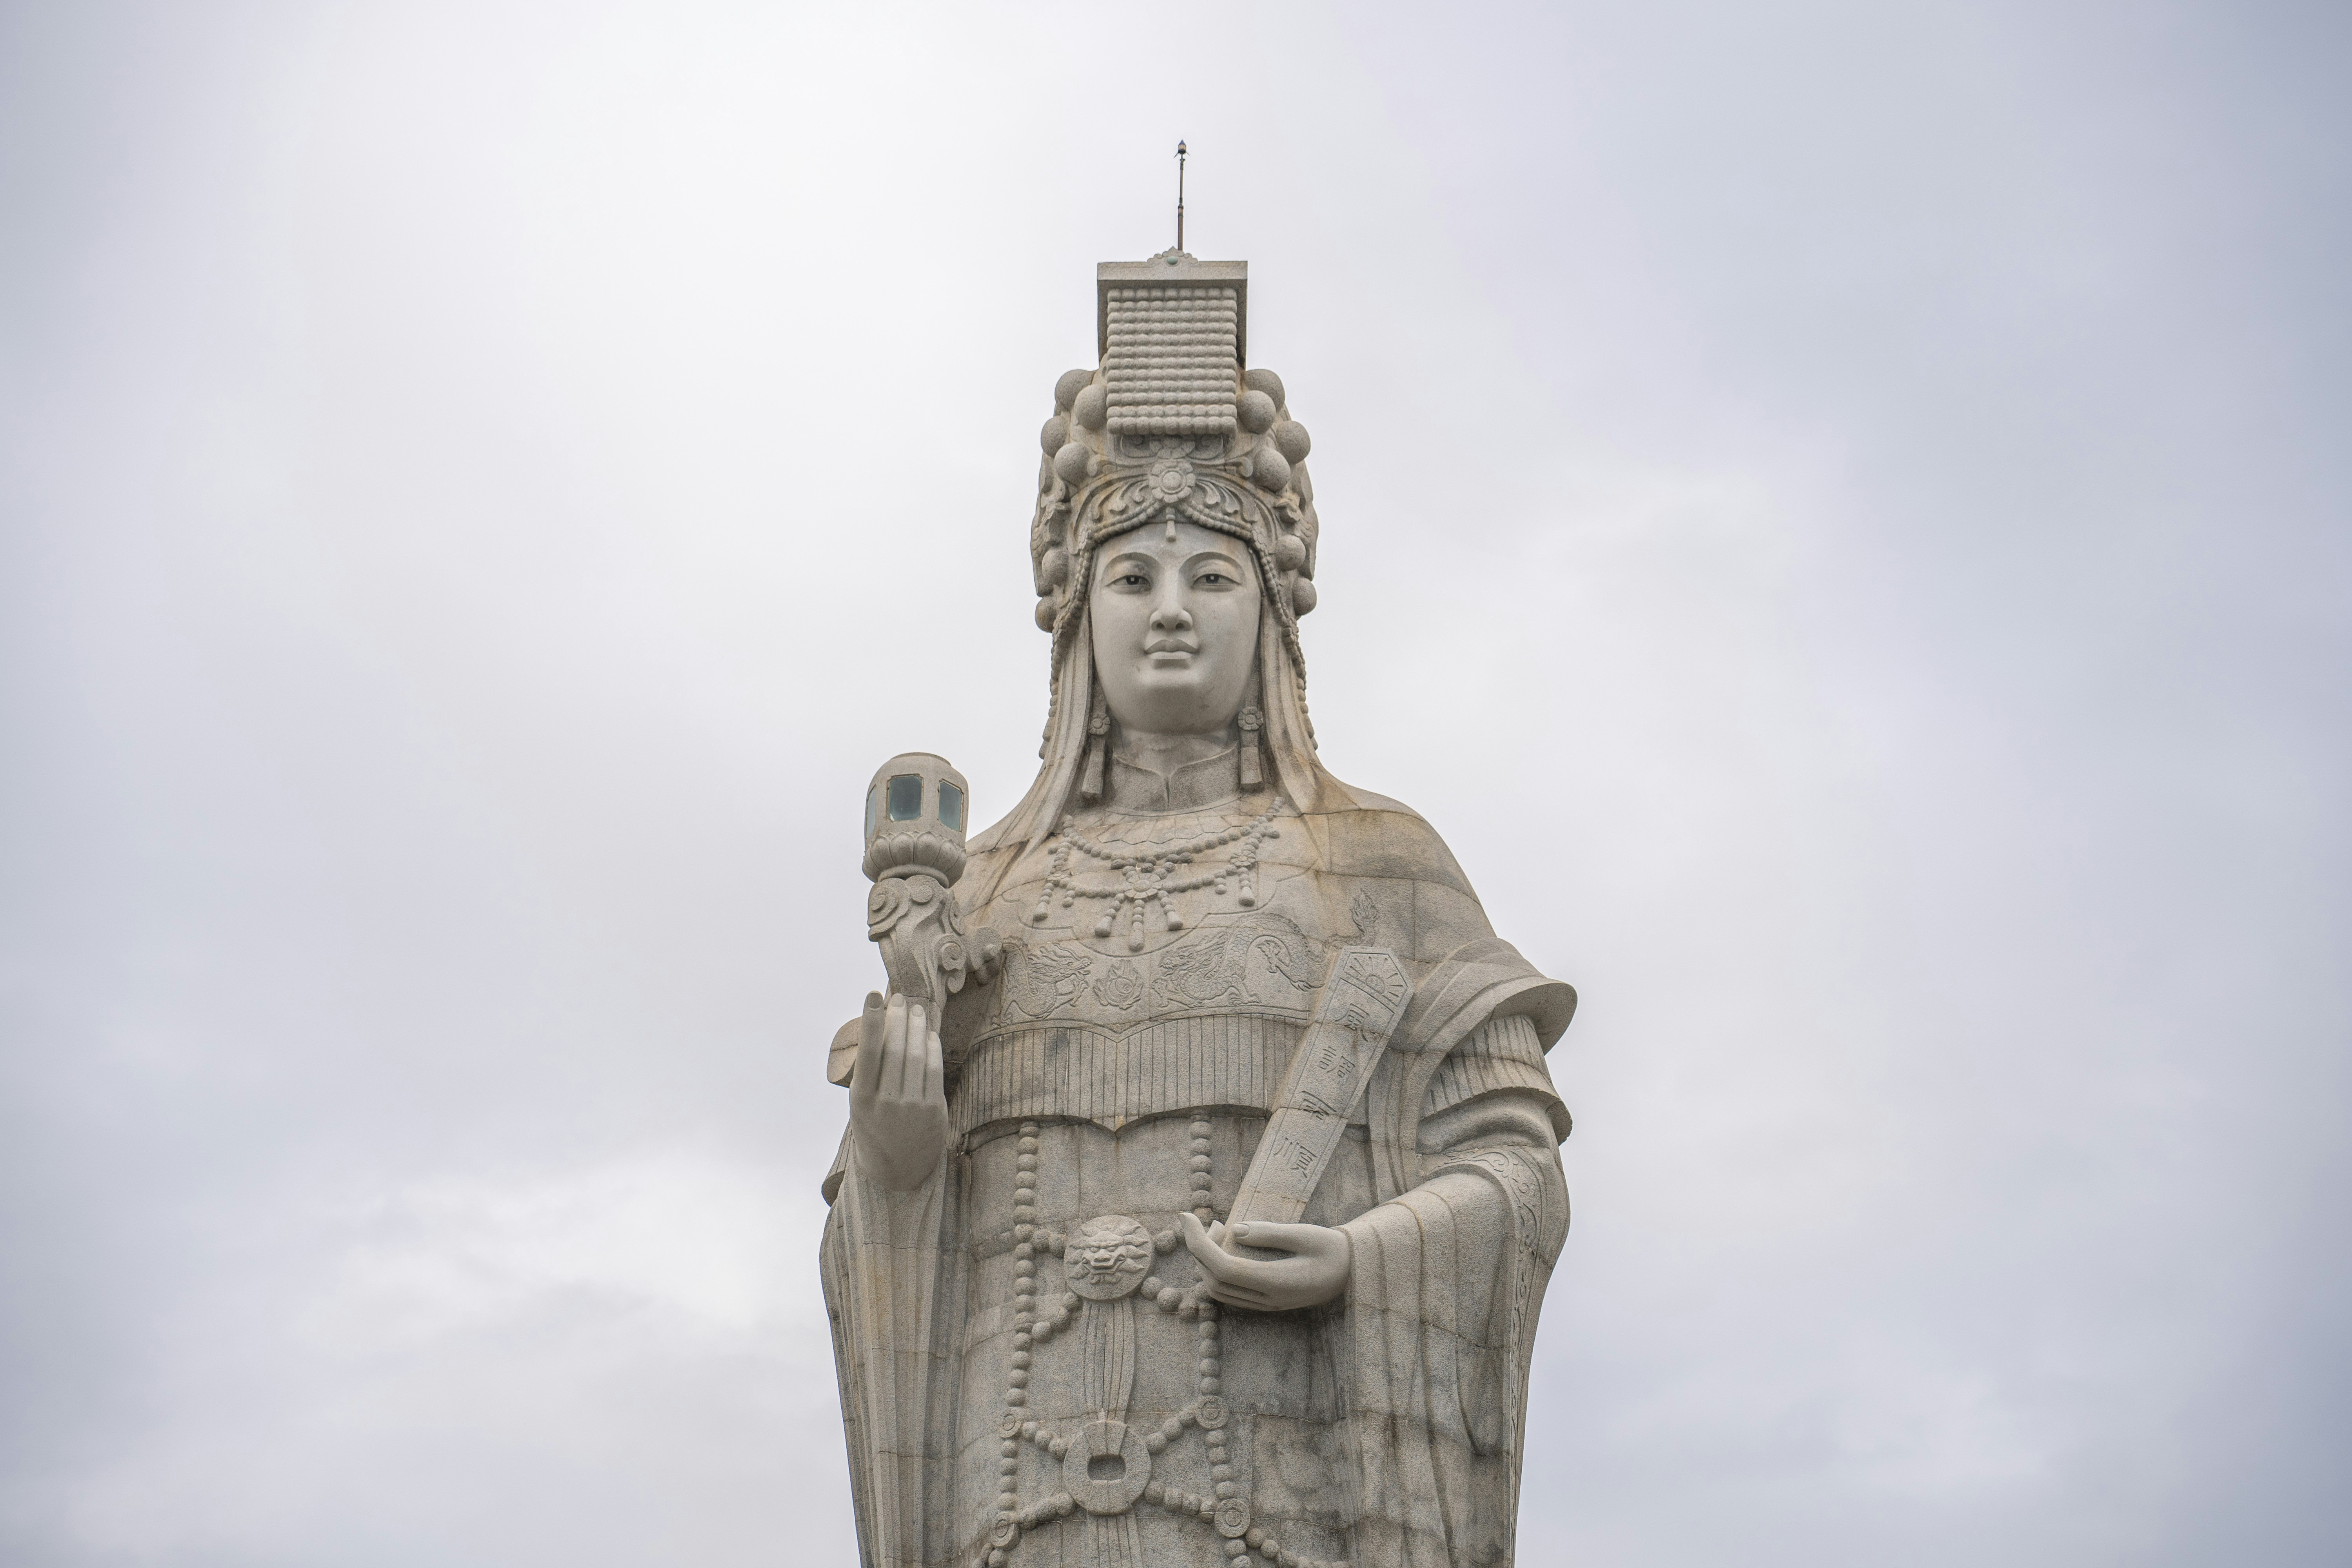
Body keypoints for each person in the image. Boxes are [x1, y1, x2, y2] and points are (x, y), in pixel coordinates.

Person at [820, 266, 1575, 1568]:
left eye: (1212, 575)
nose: (1170, 610)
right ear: (1079, 616)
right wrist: (896, 1152)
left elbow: (1517, 1172)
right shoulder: (979, 895)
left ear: (1269, 610)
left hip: (1285, 1506)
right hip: (1015, 1507)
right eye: (1133, 577)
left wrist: (1360, 1262)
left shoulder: (1381, 863)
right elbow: (885, 1231)